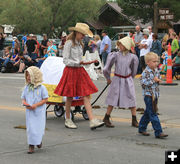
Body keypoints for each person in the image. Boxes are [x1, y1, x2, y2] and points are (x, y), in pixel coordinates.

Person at [54, 23, 104, 130]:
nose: (84, 36)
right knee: (69, 96)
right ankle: (68, 119)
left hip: (79, 71)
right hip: (71, 71)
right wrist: (79, 63)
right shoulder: (68, 43)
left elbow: (81, 60)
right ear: (77, 32)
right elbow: (65, 60)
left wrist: (88, 62)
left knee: (86, 94)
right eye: (83, 34)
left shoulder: (80, 44)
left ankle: (92, 120)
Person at [103, 36, 139, 128]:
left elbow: (134, 70)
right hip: (117, 79)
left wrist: (130, 78)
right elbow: (106, 68)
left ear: (127, 46)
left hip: (127, 80)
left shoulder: (132, 57)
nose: (119, 46)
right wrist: (108, 78)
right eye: (119, 44)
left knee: (131, 98)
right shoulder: (115, 55)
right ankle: (106, 117)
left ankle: (134, 119)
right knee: (113, 98)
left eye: (122, 44)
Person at [138, 52, 168, 139]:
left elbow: (158, 79)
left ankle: (142, 127)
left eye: (157, 61)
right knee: (153, 113)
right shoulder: (146, 72)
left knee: (148, 113)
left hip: (155, 95)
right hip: (149, 96)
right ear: (148, 62)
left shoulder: (156, 70)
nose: (156, 63)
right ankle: (158, 131)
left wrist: (158, 80)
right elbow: (143, 83)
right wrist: (154, 81)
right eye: (154, 61)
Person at [21, 66, 48, 153]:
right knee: (30, 128)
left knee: (38, 128)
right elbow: (23, 98)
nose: (28, 77)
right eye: (27, 75)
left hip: (39, 113)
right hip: (30, 112)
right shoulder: (27, 87)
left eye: (30, 75)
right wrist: (25, 103)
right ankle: (31, 145)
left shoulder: (42, 88)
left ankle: (38, 140)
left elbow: (45, 99)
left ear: (35, 76)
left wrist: (36, 105)